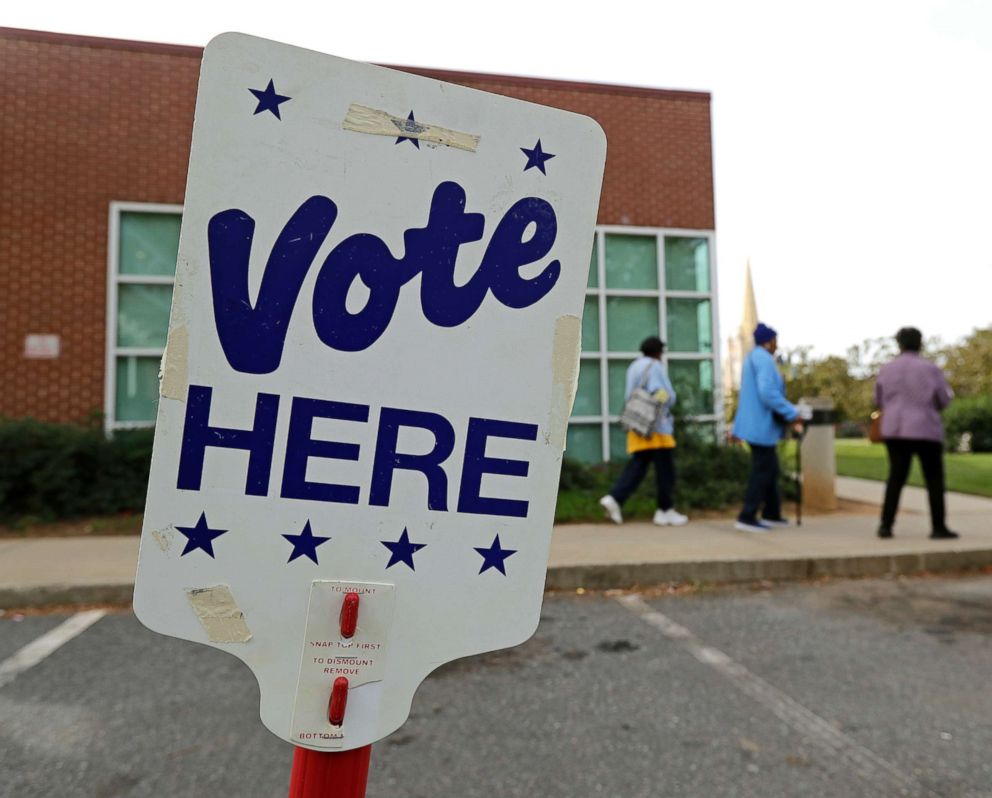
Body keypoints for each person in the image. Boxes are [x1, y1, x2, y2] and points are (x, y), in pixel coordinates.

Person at [874, 327, 957, 539]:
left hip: (895, 429)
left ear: (898, 344)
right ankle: (938, 527)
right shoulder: (930, 369)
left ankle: (886, 525)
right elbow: (943, 399)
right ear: (920, 343)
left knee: (895, 477)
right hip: (924, 429)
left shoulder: (886, 369)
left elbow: (878, 400)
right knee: (934, 479)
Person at [598, 336, 688, 527]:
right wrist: (670, 398)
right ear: (658, 352)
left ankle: (614, 499)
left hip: (637, 425)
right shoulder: (654, 366)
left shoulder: (634, 366)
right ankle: (665, 510)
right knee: (666, 471)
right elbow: (659, 392)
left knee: (638, 467)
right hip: (656, 427)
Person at [731, 322, 802, 532]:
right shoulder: (764, 359)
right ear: (769, 341)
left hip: (755, 425)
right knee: (763, 471)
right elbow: (768, 392)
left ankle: (771, 513)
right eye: (775, 341)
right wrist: (792, 412)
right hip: (760, 426)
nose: (777, 345)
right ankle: (747, 516)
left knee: (770, 469)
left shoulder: (753, 358)